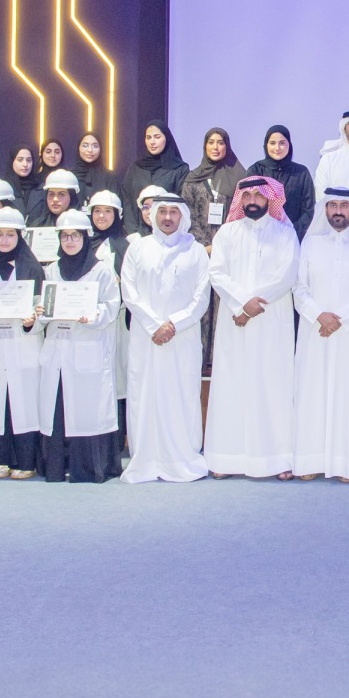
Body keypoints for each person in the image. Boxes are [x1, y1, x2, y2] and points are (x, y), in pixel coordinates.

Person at [204, 177, 300, 480]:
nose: (252, 199)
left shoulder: (285, 233)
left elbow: (288, 274)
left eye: (259, 194)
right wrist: (243, 304)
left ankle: (278, 459)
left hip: (272, 321)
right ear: (240, 200)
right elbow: (216, 272)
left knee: (273, 387)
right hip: (236, 321)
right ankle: (225, 459)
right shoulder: (227, 233)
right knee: (232, 386)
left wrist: (255, 304)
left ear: (270, 198)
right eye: (246, 195)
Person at [119, 196, 211, 483]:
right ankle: (145, 457)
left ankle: (181, 456)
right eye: (163, 212)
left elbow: (201, 297)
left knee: (181, 394)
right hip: (146, 338)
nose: (168, 218)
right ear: (153, 216)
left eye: (173, 212)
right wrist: (154, 325)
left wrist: (174, 324)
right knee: (144, 394)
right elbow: (129, 291)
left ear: (182, 216)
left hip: (181, 338)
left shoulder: (195, 251)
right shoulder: (138, 248)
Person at [292, 187, 349, 482]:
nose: (338, 211)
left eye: (345, 206)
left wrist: (340, 319)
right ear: (325, 210)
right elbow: (299, 287)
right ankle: (310, 461)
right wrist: (320, 316)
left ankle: (348, 464)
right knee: (313, 394)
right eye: (333, 206)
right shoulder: (310, 245)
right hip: (316, 332)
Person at [37, 210, 122, 483]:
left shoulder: (102, 271)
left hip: (88, 346)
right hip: (57, 350)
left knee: (87, 410)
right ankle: (56, 467)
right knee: (58, 408)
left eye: (75, 236)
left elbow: (111, 306)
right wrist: (39, 312)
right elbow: (42, 310)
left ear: (85, 238)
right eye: (65, 236)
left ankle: (87, 468)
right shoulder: (50, 270)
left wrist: (93, 316)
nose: (70, 241)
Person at [0, 207, 45, 480]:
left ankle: (26, 461)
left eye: (10, 235)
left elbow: (43, 314)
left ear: (20, 236)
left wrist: (31, 321)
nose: (4, 240)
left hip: (23, 348)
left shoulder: (32, 268)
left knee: (23, 405)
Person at [181, 127, 246, 372]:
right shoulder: (192, 178)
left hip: (228, 253)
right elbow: (186, 215)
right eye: (211, 142)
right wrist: (204, 245)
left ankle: (220, 361)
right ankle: (198, 361)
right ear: (205, 146)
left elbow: (241, 214)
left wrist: (221, 246)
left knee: (223, 306)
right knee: (200, 303)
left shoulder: (239, 177)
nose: (216, 147)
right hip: (198, 252)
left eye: (220, 143)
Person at [88, 190, 132, 447]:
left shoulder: (125, 246)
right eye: (97, 211)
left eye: (107, 211)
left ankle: (117, 440)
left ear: (117, 215)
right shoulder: (84, 243)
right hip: (86, 325)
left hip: (117, 323)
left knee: (118, 378)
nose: (102, 216)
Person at [246, 124, 317, 241]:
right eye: (272, 143)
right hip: (261, 239)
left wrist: (291, 233)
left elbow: (308, 210)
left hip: (294, 238)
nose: (277, 148)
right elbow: (249, 205)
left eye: (282, 143)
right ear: (266, 145)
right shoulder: (256, 170)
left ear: (289, 145)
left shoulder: (301, 172)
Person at [121, 121, 190, 235]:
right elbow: (127, 200)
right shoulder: (136, 167)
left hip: (168, 234)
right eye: (148, 137)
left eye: (157, 137)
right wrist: (133, 233)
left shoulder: (179, 169)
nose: (152, 142)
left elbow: (181, 203)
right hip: (137, 234)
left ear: (166, 138)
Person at [71, 133, 120, 208]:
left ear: (100, 149)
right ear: (79, 148)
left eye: (95, 146)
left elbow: (115, 208)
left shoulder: (110, 177)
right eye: (85, 145)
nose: (90, 150)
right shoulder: (70, 176)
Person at [6, 144, 46, 222]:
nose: (25, 164)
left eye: (29, 160)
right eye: (20, 160)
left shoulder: (42, 188)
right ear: (12, 162)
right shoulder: (4, 188)